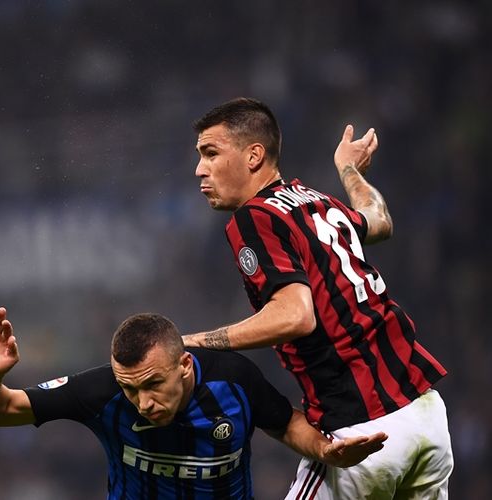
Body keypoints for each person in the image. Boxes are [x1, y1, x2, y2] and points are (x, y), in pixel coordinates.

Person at [182, 97, 453, 498]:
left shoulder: (254, 218)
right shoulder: (317, 202)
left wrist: (191, 342)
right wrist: (348, 169)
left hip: (360, 432)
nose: (199, 169)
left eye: (211, 153)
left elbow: (295, 316)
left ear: (254, 155)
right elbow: (379, 220)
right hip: (427, 419)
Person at [0, 307, 387, 499]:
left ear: (184, 365)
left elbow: (283, 422)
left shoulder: (234, 379)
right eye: (130, 389)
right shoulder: (101, 391)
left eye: (152, 384)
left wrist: (323, 450)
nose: (142, 402)